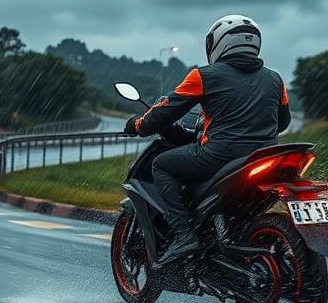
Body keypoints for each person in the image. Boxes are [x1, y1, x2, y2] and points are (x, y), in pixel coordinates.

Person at [124, 15, 291, 266]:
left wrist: (137, 125)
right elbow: (283, 122)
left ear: (220, 43)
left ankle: (184, 235)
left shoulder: (203, 76)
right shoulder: (275, 79)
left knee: (162, 164)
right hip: (265, 156)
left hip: (219, 156)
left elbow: (164, 112)